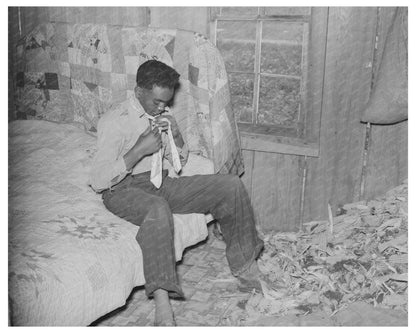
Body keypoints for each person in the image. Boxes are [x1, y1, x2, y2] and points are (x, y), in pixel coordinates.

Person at [89, 60, 264, 326]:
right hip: (122, 189)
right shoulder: (114, 121)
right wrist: (138, 150)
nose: (162, 107)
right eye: (157, 101)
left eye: (166, 102)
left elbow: (178, 160)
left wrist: (177, 135)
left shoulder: (161, 114)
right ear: (139, 92)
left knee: (229, 185)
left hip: (161, 182)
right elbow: (99, 181)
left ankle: (245, 266)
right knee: (157, 209)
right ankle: (162, 303)